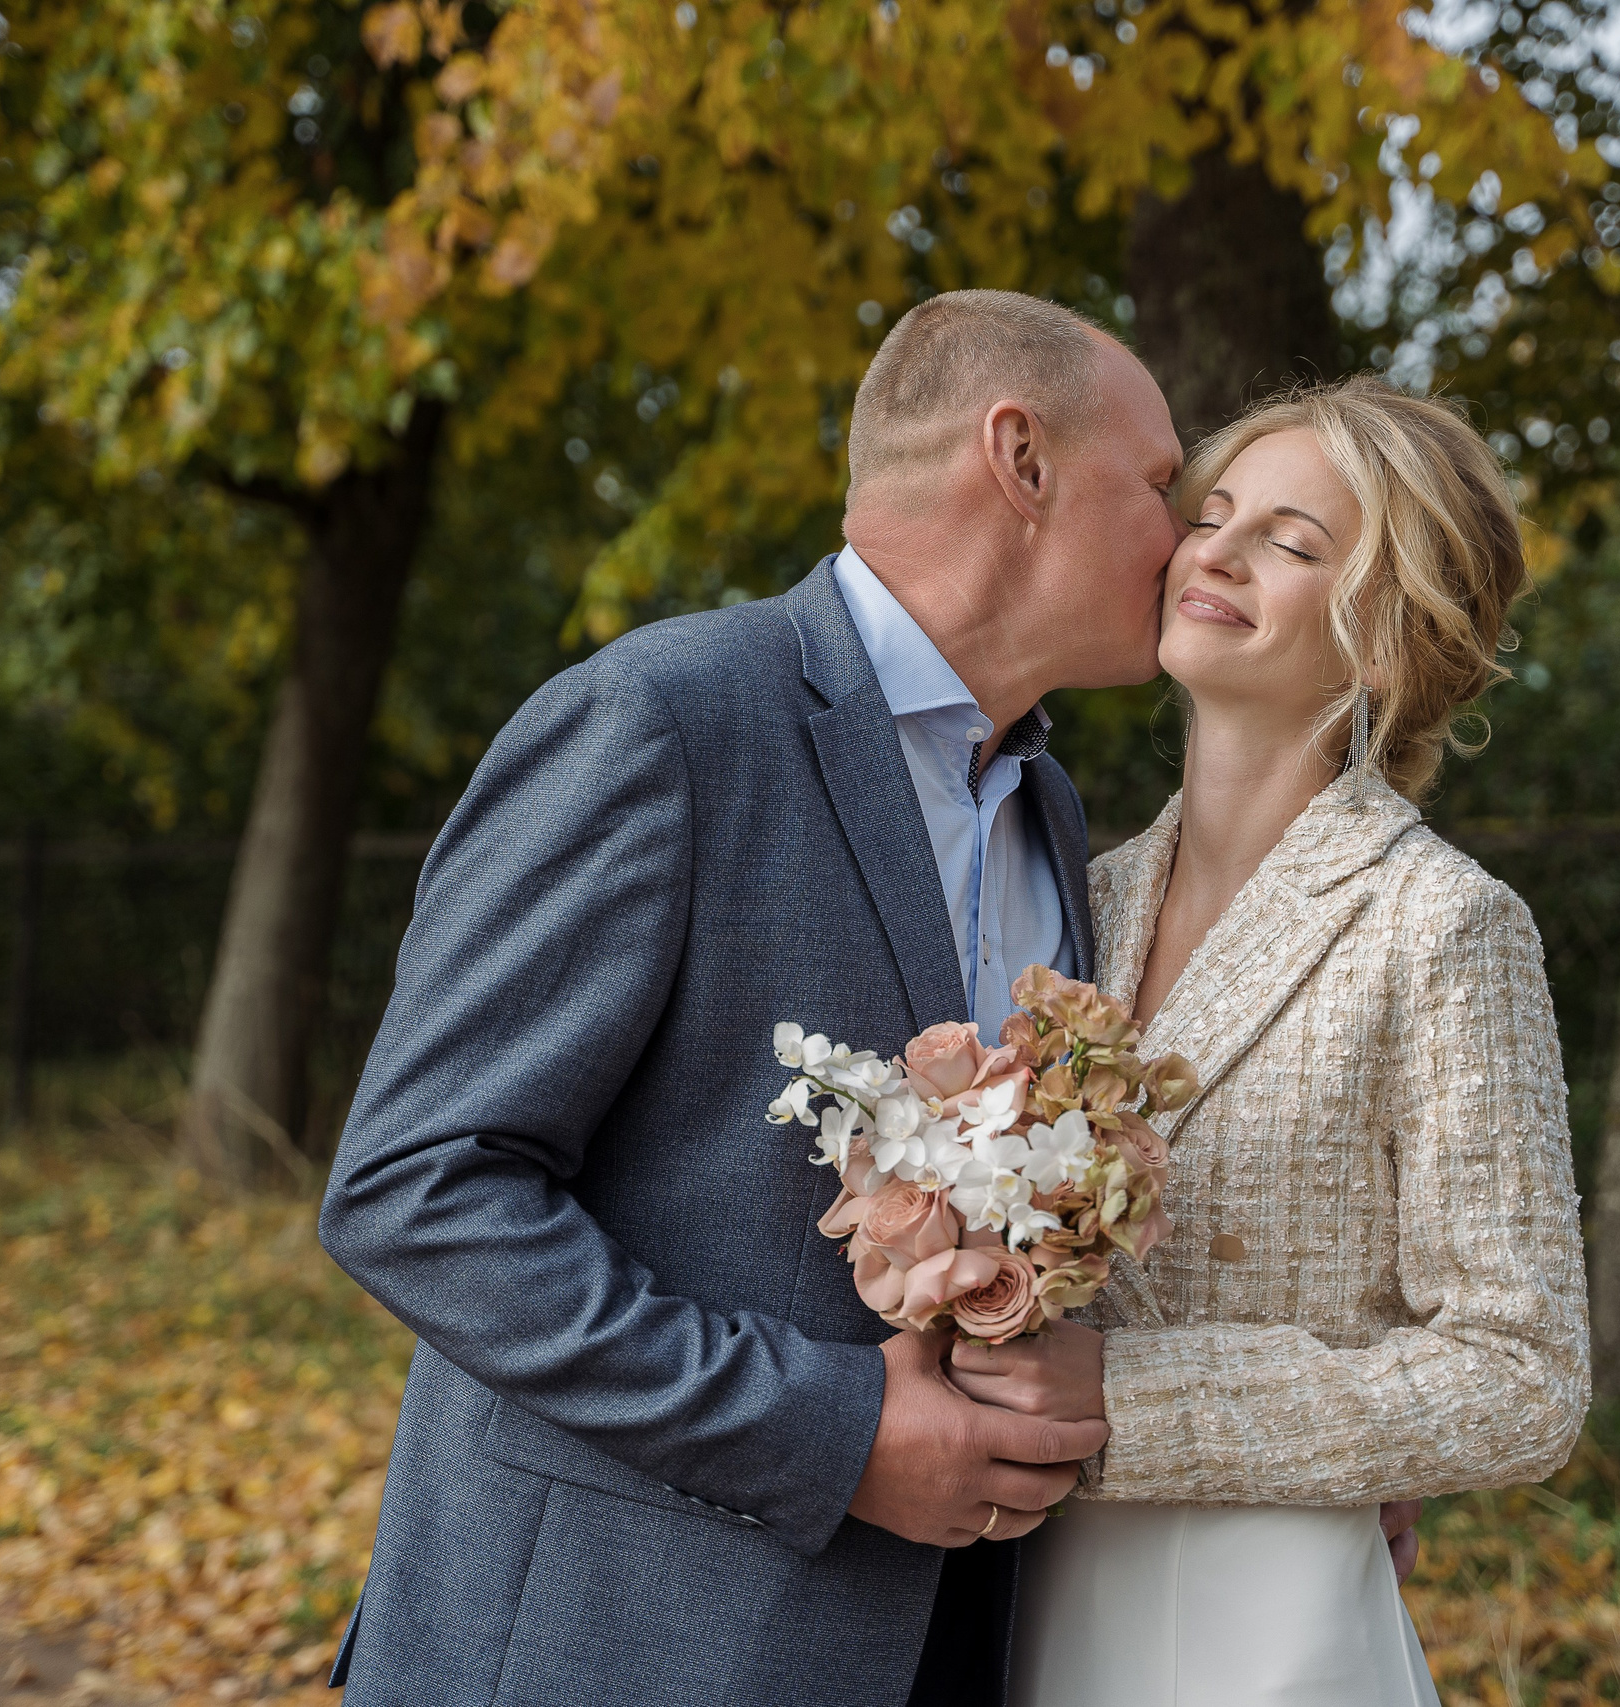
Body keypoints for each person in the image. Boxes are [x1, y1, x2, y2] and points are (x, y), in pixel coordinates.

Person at [317, 290, 1183, 1707]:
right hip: (610, 1649)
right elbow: (417, 1190)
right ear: (1019, 460)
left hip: (951, 1648)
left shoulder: (1052, 809)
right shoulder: (662, 721)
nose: (1187, 531)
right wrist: (830, 1433)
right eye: (1158, 484)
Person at [953, 376, 1591, 1706]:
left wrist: (1130, 1401)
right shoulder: (1079, 892)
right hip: (1020, 1596)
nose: (1221, 551)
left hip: (1261, 1622)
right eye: (1217, 513)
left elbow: (1519, 1374)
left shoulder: (1443, 925)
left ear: (1389, 637)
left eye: (1294, 543)